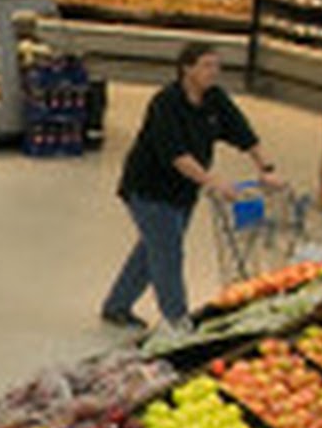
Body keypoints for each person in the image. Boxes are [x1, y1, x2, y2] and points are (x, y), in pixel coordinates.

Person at [102, 41, 280, 337]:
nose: (214, 72)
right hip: (149, 189)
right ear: (186, 69)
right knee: (167, 253)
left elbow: (243, 133)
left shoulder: (215, 98)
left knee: (153, 248)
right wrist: (214, 181)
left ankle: (117, 305)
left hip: (183, 192)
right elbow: (176, 155)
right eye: (207, 65)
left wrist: (267, 168)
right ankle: (178, 321)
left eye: (217, 66)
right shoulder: (165, 103)